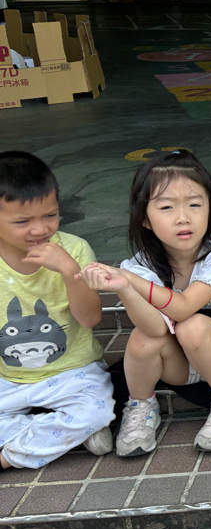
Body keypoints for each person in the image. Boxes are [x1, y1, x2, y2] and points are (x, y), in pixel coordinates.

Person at [78, 151, 211, 456]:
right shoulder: (139, 266)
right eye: (167, 207)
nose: (183, 217)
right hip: (182, 363)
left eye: (195, 204)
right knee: (142, 338)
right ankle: (141, 408)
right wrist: (124, 288)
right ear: (145, 218)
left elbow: (183, 308)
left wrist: (131, 280)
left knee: (191, 325)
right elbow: (156, 328)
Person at [0, 152, 114, 469]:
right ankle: (63, 432)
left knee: (95, 411)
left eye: (50, 215)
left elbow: (90, 319)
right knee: (88, 420)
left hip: (73, 373)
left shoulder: (74, 249)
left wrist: (69, 270)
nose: (40, 229)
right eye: (22, 221)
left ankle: (9, 456)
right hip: (7, 377)